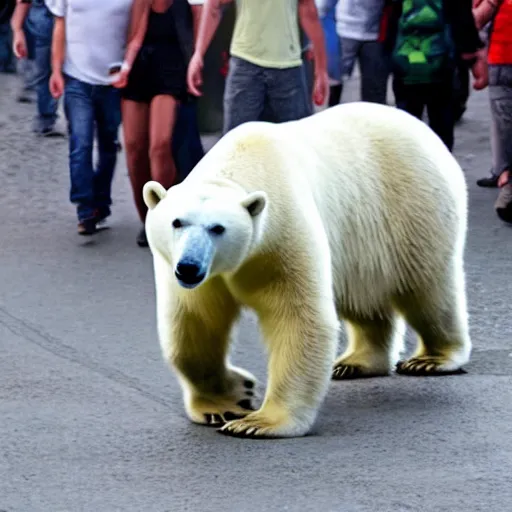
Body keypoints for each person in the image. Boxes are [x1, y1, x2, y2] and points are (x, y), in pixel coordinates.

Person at [112, 0, 203, 247]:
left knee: (160, 145)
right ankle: (146, 219)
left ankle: (161, 214)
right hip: (141, 69)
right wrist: (125, 69)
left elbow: (200, 33)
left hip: (173, 69)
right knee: (133, 147)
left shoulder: (189, 3)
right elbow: (134, 39)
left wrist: (198, 63)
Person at [46, 0, 133, 236]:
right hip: (76, 78)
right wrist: (55, 70)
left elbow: (137, 27)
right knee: (80, 143)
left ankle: (101, 203)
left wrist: (128, 66)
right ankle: (85, 208)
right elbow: (59, 25)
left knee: (108, 145)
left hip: (113, 79)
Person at [187, 0, 329, 134]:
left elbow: (308, 11)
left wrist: (321, 70)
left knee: (294, 146)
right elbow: (214, 5)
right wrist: (198, 54)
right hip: (245, 65)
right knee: (237, 146)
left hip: (287, 68)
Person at [389, 0, 487, 152]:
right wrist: (472, 55)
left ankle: (408, 165)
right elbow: (462, 20)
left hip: (406, 61)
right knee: (441, 122)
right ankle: (440, 167)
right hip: (440, 63)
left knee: (407, 121)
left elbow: (390, 16)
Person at [473, 0, 512, 223]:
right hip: (501, 61)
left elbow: (476, 19)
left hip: (502, 60)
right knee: (505, 126)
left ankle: (507, 184)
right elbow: (476, 19)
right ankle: (506, 181)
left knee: (505, 126)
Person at [11, 0, 62, 136]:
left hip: (49, 25)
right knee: (45, 73)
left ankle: (47, 120)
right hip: (46, 27)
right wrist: (17, 29)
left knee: (45, 73)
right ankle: (46, 119)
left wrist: (18, 29)